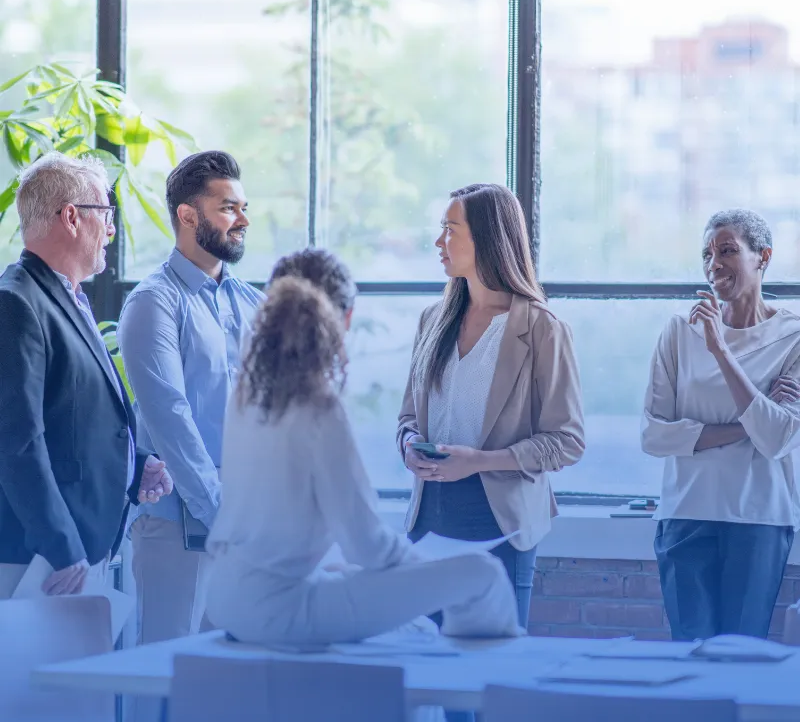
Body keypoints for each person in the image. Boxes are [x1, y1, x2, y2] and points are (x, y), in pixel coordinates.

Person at [205, 259, 524, 647]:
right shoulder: (317, 406)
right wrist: (428, 570)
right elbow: (366, 546)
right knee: (482, 573)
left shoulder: (246, 394)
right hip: (279, 610)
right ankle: (474, 691)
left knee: (392, 608)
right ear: (345, 318)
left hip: (223, 596)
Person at [397, 183, 585, 631]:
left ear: (487, 237)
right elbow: (408, 417)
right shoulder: (432, 320)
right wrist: (407, 445)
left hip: (499, 524)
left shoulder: (542, 329)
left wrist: (480, 462)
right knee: (433, 665)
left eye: (450, 230)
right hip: (430, 518)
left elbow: (568, 440)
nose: (439, 242)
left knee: (486, 666)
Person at [0, 153, 172, 598]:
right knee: (33, 670)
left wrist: (135, 471)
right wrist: (60, 543)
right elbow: (16, 440)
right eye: (107, 214)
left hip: (78, 548)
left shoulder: (67, 297)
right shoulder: (15, 303)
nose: (112, 230)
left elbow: (73, 422)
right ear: (72, 217)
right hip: (40, 559)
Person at [117, 151, 262, 652]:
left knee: (231, 684)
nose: (243, 220)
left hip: (245, 526)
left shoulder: (252, 303)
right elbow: (169, 416)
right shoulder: (153, 301)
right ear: (187, 215)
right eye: (228, 208)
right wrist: (222, 514)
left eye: (243, 207)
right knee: (164, 679)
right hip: (176, 526)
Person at [642, 209, 800, 641]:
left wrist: (720, 351)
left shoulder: (794, 337)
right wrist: (748, 425)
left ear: (763, 256)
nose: (714, 264)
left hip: (759, 518)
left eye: (728, 250)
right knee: (689, 656)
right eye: (707, 254)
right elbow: (653, 436)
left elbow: (781, 439)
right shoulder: (678, 332)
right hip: (685, 514)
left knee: (740, 655)